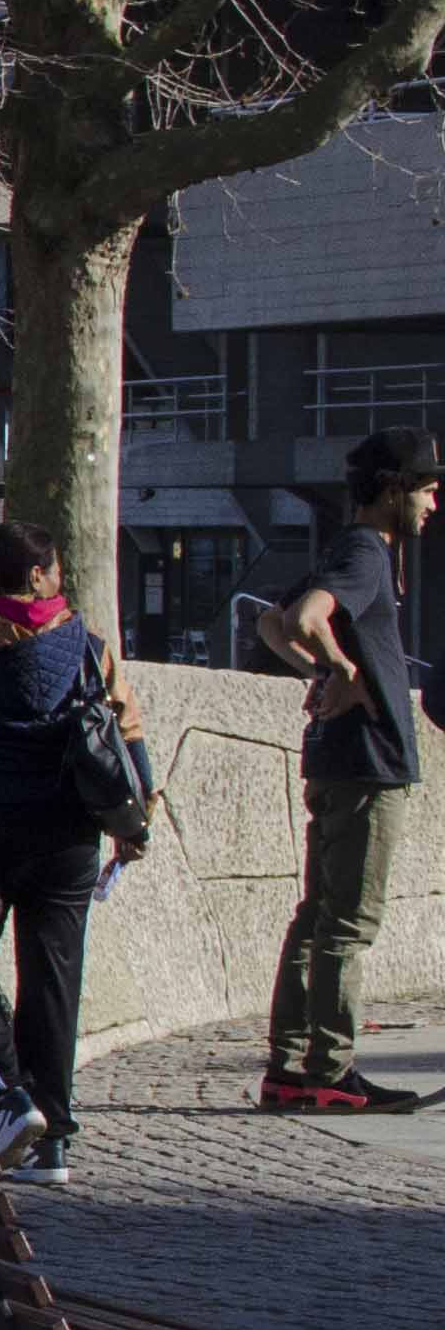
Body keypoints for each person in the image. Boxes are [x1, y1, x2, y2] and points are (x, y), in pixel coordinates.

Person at [0, 518, 140, 1176]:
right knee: (53, 980)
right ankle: (53, 1136)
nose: (60, 578)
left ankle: (10, 1097)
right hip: (68, 834)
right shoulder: (89, 648)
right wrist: (135, 822)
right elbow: (126, 736)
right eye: (55, 567)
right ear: (38, 575)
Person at [255, 427, 438, 1113]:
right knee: (347, 927)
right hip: (367, 762)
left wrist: (320, 668)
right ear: (392, 492)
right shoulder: (365, 552)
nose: (433, 502)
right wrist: (340, 667)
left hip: (336, 758)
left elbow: (272, 626)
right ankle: (330, 1071)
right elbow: (304, 617)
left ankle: (290, 1068)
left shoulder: (346, 548)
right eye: (425, 489)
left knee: (315, 917)